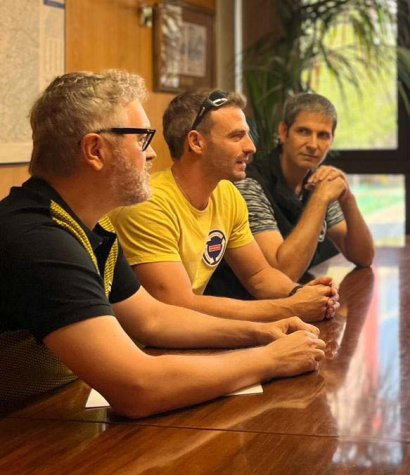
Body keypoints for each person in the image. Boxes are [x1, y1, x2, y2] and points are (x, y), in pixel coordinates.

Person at [0, 70, 326, 417]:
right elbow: (137, 388)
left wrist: (262, 332)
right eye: (142, 139)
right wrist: (270, 359)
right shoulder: (38, 238)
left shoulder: (90, 227)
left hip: (52, 413)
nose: (153, 155)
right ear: (95, 150)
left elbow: (153, 318)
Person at [108, 89, 338, 323]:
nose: (251, 147)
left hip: (185, 334)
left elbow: (259, 275)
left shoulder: (227, 194)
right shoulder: (148, 204)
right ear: (197, 142)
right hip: (137, 346)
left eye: (248, 135)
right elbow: (177, 304)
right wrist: (291, 308)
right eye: (237, 136)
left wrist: (302, 293)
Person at [206, 93, 374, 297]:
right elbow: (282, 273)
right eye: (304, 132)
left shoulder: (318, 180)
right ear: (284, 132)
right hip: (241, 309)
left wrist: (347, 198)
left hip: (291, 301)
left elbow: (363, 257)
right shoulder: (249, 184)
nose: (313, 144)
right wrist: (320, 199)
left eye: (323, 135)